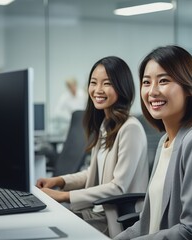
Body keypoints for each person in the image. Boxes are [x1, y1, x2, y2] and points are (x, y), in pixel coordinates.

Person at [114, 45, 192, 240]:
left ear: (188, 88)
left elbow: (191, 232)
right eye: (146, 82)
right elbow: (148, 223)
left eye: (163, 81)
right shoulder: (166, 142)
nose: (152, 91)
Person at [36, 56, 149, 237]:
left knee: (53, 231)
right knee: (45, 221)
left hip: (114, 219)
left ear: (122, 87)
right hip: (97, 211)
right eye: (93, 82)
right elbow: (92, 173)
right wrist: (59, 181)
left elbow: (117, 187)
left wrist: (64, 195)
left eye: (107, 83)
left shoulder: (131, 128)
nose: (97, 90)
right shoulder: (106, 125)